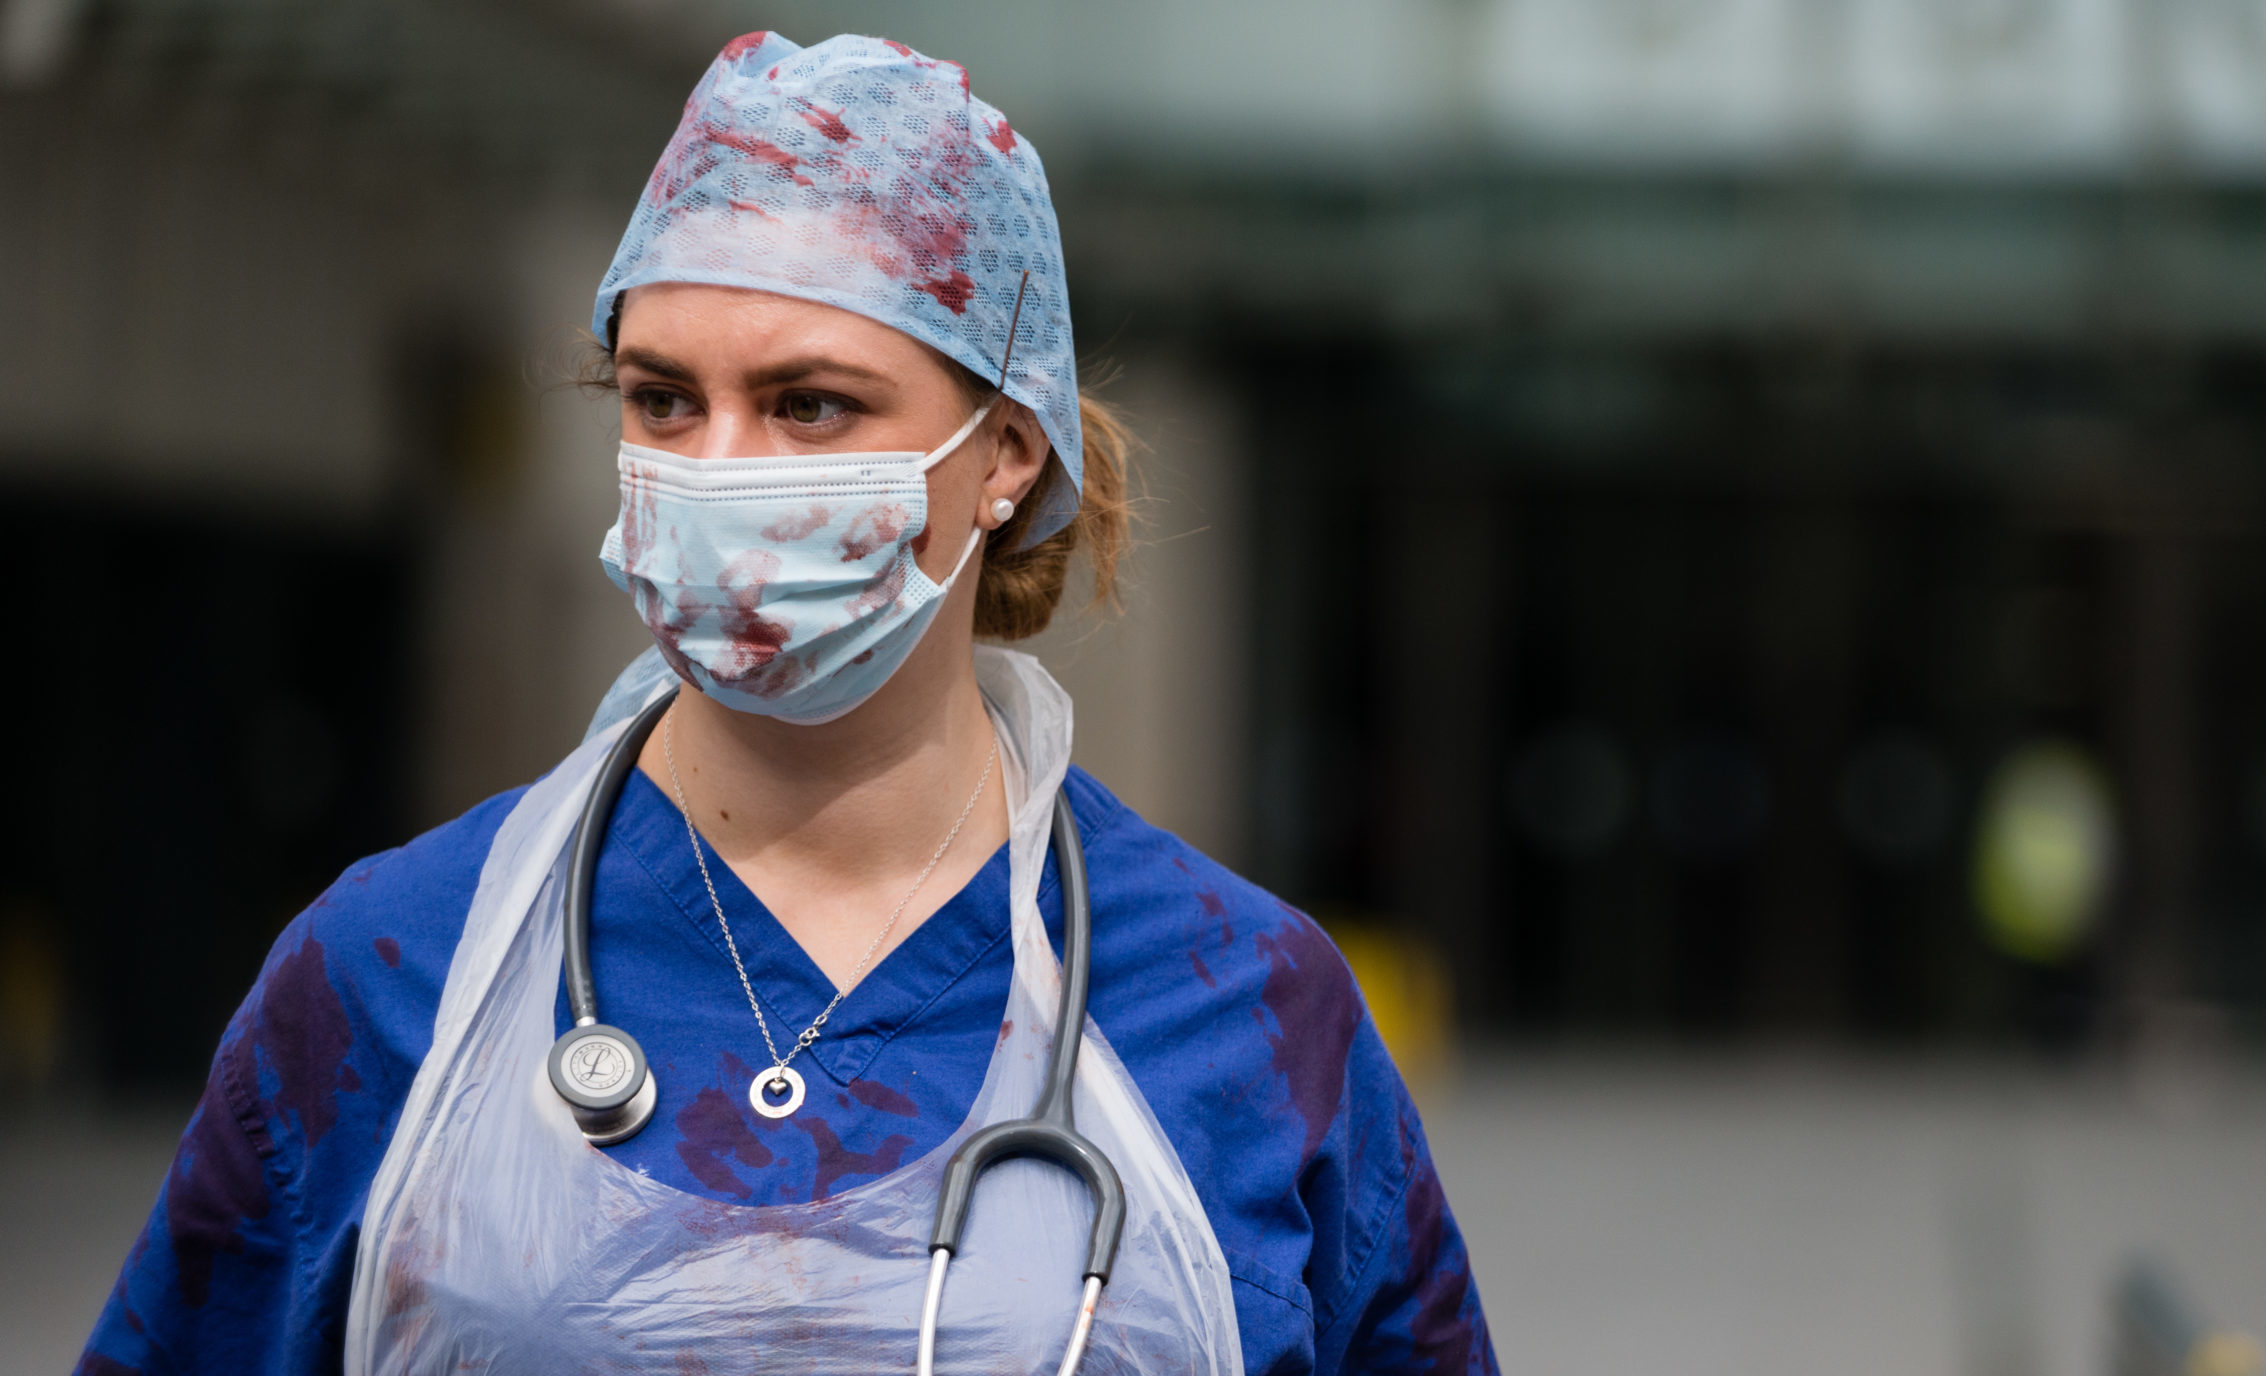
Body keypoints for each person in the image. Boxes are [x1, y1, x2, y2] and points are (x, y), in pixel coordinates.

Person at [76, 31, 1494, 1376]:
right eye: (662, 400)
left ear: (1004, 451)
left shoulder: (1240, 1008)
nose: (716, 471)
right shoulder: (394, 977)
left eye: (810, 405)